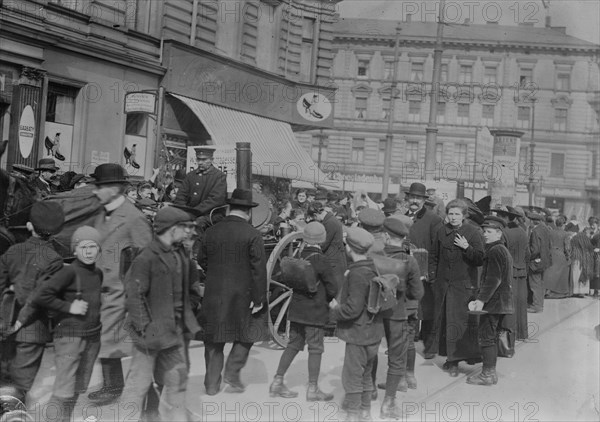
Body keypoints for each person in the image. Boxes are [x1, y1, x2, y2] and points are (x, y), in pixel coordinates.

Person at [120, 207, 202, 421]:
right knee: (138, 385)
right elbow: (134, 296)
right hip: (150, 334)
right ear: (171, 229)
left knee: (177, 380)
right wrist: (147, 330)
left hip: (174, 332)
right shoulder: (146, 257)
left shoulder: (180, 255)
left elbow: (187, 291)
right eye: (183, 228)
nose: (187, 233)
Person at [88, 163, 153, 405]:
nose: (95, 191)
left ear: (114, 188)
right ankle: (112, 385)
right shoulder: (102, 212)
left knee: (108, 337)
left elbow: (147, 256)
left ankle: (114, 387)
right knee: (102, 337)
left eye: (99, 187)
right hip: (100, 285)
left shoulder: (133, 217)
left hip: (119, 288)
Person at [200, 188, 269, 395]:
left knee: (213, 338)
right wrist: (258, 298)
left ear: (229, 208)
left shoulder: (211, 231)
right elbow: (258, 270)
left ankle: (211, 386)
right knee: (251, 330)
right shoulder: (253, 234)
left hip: (214, 292)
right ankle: (233, 369)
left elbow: (202, 260)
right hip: (243, 293)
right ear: (248, 212)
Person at [30, 226, 103, 422]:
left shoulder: (98, 274)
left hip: (92, 337)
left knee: (78, 387)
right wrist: (69, 307)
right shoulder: (68, 272)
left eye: (93, 246)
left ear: (99, 249)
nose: (88, 251)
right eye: (83, 247)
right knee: (63, 389)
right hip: (70, 338)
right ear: (74, 250)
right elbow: (40, 295)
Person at [0, 202, 64, 402]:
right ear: (57, 230)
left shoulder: (12, 251)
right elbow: (42, 296)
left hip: (4, 324)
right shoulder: (54, 259)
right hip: (34, 329)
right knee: (20, 387)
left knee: (3, 378)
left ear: (29, 226)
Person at [269, 222, 338, 401]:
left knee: (293, 345)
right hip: (314, 312)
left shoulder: (298, 255)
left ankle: (277, 381)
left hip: (296, 310)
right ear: (322, 239)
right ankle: (313, 389)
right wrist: (330, 300)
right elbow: (332, 287)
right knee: (315, 349)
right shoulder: (320, 259)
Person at [329, 227, 383, 422]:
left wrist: (336, 309)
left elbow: (352, 309)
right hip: (374, 333)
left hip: (358, 334)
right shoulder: (373, 267)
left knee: (352, 375)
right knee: (367, 373)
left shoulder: (356, 274)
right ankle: (366, 412)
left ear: (349, 249)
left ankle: (352, 415)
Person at [376, 218, 424, 420]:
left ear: (386, 235)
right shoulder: (409, 260)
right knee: (397, 356)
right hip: (398, 313)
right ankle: (389, 402)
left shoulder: (374, 256)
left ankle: (369, 391)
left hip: (376, 313)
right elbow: (418, 293)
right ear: (403, 239)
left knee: (371, 351)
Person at [431, 199, 485, 376]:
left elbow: (479, 258)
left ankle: (455, 361)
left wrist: (466, 247)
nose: (453, 217)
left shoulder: (473, 233)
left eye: (457, 214)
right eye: (450, 213)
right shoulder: (441, 231)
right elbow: (434, 256)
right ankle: (450, 358)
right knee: (445, 323)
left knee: (459, 323)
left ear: (464, 216)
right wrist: (433, 277)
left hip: (464, 287)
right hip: (444, 286)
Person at [467, 216, 513, 386]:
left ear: (499, 233)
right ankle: (490, 373)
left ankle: (487, 374)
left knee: (486, 337)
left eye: (489, 232)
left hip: (493, 302)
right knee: (491, 337)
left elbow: (493, 279)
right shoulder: (502, 250)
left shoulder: (494, 251)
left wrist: (480, 300)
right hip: (501, 301)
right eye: (484, 231)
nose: (485, 234)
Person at [403, 182, 443, 359]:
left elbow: (437, 247)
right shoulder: (401, 217)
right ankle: (403, 344)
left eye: (418, 198)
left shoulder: (433, 220)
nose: (414, 201)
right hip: (403, 270)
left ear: (423, 200)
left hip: (424, 272)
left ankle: (429, 346)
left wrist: (431, 272)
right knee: (406, 308)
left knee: (426, 309)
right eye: (412, 197)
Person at [175, 146, 227, 231]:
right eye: (198, 159)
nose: (200, 162)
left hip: (211, 214)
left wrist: (193, 212)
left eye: (204, 160)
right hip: (190, 213)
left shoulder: (219, 176)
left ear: (211, 160)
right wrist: (184, 211)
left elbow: (215, 200)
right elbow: (181, 196)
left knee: (197, 224)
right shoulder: (190, 176)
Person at [499, 206, 530, 341]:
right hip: (522, 271)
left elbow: (501, 254)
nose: (499, 218)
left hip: (508, 271)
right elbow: (528, 253)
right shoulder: (523, 231)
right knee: (521, 302)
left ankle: (510, 335)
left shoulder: (503, 232)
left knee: (508, 302)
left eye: (501, 216)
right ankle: (522, 334)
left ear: (506, 217)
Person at [307, 201, 347, 291]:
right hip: (335, 260)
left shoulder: (329, 223)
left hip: (333, 262)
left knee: (335, 290)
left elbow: (323, 244)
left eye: (314, 218)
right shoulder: (330, 219)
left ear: (315, 215)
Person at [527, 212, 552, 313]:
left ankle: (536, 306)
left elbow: (535, 249)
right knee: (540, 283)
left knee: (534, 284)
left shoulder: (535, 231)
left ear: (533, 221)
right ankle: (540, 305)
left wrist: (528, 257)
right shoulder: (546, 229)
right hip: (544, 261)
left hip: (536, 261)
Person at [544, 216, 572, 299]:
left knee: (550, 272)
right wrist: (568, 256)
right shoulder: (565, 234)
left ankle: (547, 290)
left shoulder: (550, 232)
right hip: (560, 254)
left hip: (551, 253)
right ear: (563, 224)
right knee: (560, 273)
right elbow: (567, 247)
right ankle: (557, 292)